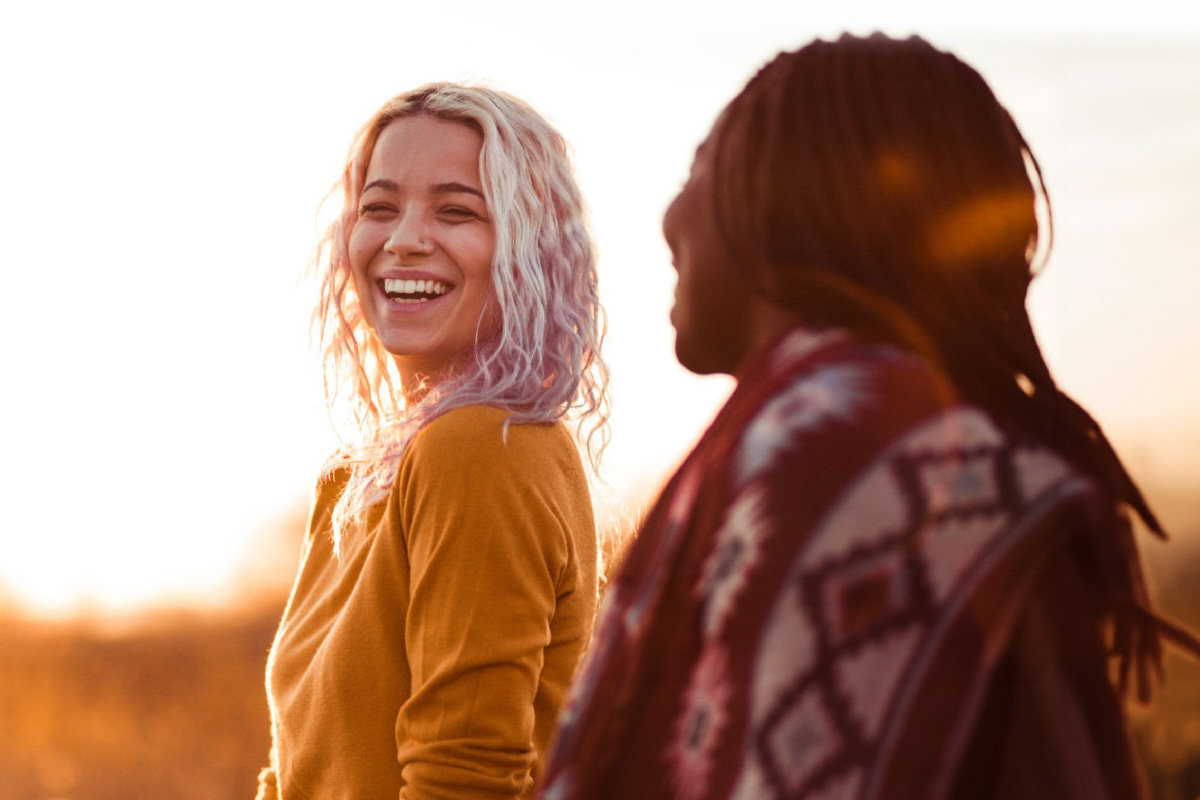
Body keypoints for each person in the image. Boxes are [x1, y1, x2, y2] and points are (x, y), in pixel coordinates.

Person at [540, 34, 1197, 800]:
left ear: (783, 200)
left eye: (701, 167)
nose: (669, 214)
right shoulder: (841, 440)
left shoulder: (860, 456)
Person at [256, 83, 609, 800]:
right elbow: (296, 774)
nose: (405, 237)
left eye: (457, 211)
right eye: (379, 207)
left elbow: (463, 779)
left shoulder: (483, 448)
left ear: (531, 250)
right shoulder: (355, 481)